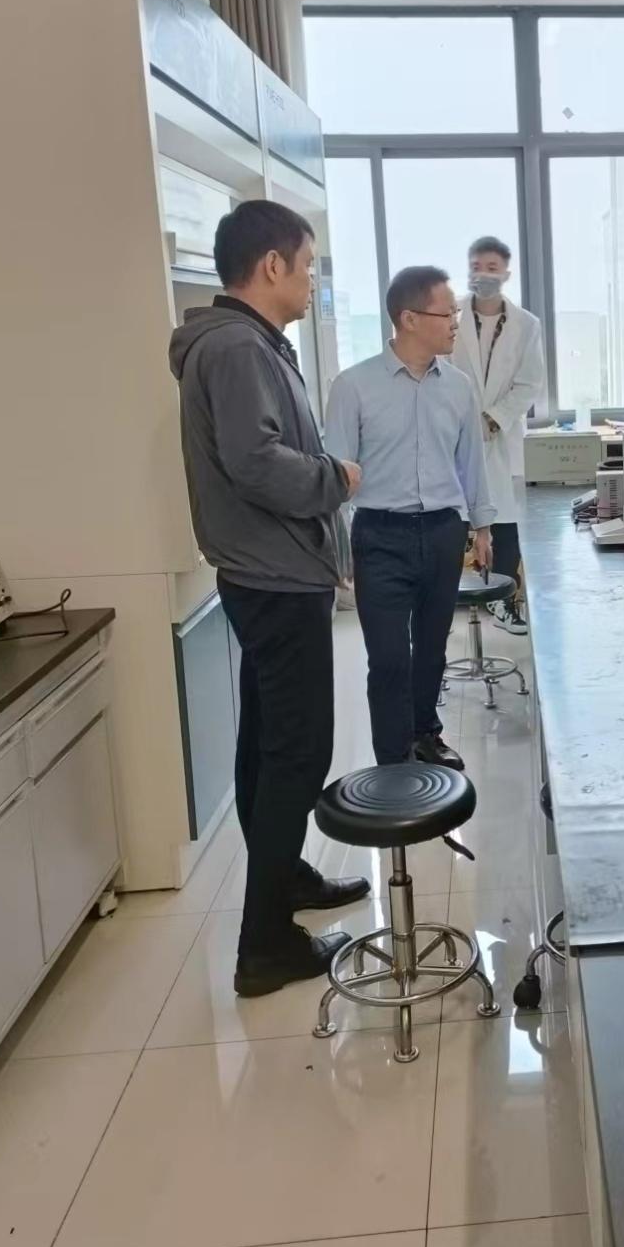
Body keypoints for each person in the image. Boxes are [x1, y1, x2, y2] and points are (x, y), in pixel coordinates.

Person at [169, 200, 370, 999]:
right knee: (296, 753)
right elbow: (256, 462)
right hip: (276, 578)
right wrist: (335, 479)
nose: (314, 279)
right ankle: (264, 947)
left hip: (271, 574)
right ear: (273, 265)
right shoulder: (236, 348)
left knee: (266, 746)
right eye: (309, 264)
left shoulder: (245, 343)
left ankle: (283, 880)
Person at [325, 266, 495, 772]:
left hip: (443, 531)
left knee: (432, 649)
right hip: (380, 535)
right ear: (409, 319)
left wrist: (482, 527)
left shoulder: (459, 387)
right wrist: (337, 548)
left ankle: (425, 734)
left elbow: (472, 462)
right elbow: (333, 477)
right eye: (448, 313)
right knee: (389, 658)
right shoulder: (353, 387)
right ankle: (393, 761)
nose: (456, 322)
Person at [450, 235, 545, 634]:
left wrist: (493, 418)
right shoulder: (450, 314)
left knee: (505, 523)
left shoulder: (526, 324)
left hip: (500, 437)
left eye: (491, 268)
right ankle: (443, 605)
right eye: (476, 266)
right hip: (453, 435)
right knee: (452, 523)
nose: (483, 274)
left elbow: (530, 383)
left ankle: (503, 602)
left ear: (506, 273)